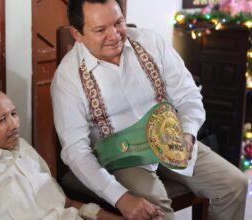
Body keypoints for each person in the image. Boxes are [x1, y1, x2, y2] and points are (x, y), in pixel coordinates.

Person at [51, 0, 248, 220]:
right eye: (100, 30)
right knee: (154, 211)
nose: (114, 34)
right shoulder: (67, 77)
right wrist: (121, 197)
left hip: (171, 137)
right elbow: (75, 151)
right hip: (121, 157)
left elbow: (187, 94)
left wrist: (188, 133)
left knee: (234, 184)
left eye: (118, 23)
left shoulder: (150, 41)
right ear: (77, 34)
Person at [0, 88, 124, 220]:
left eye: (13, 114)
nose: (14, 124)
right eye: (2, 120)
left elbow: (66, 203)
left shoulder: (22, 147)